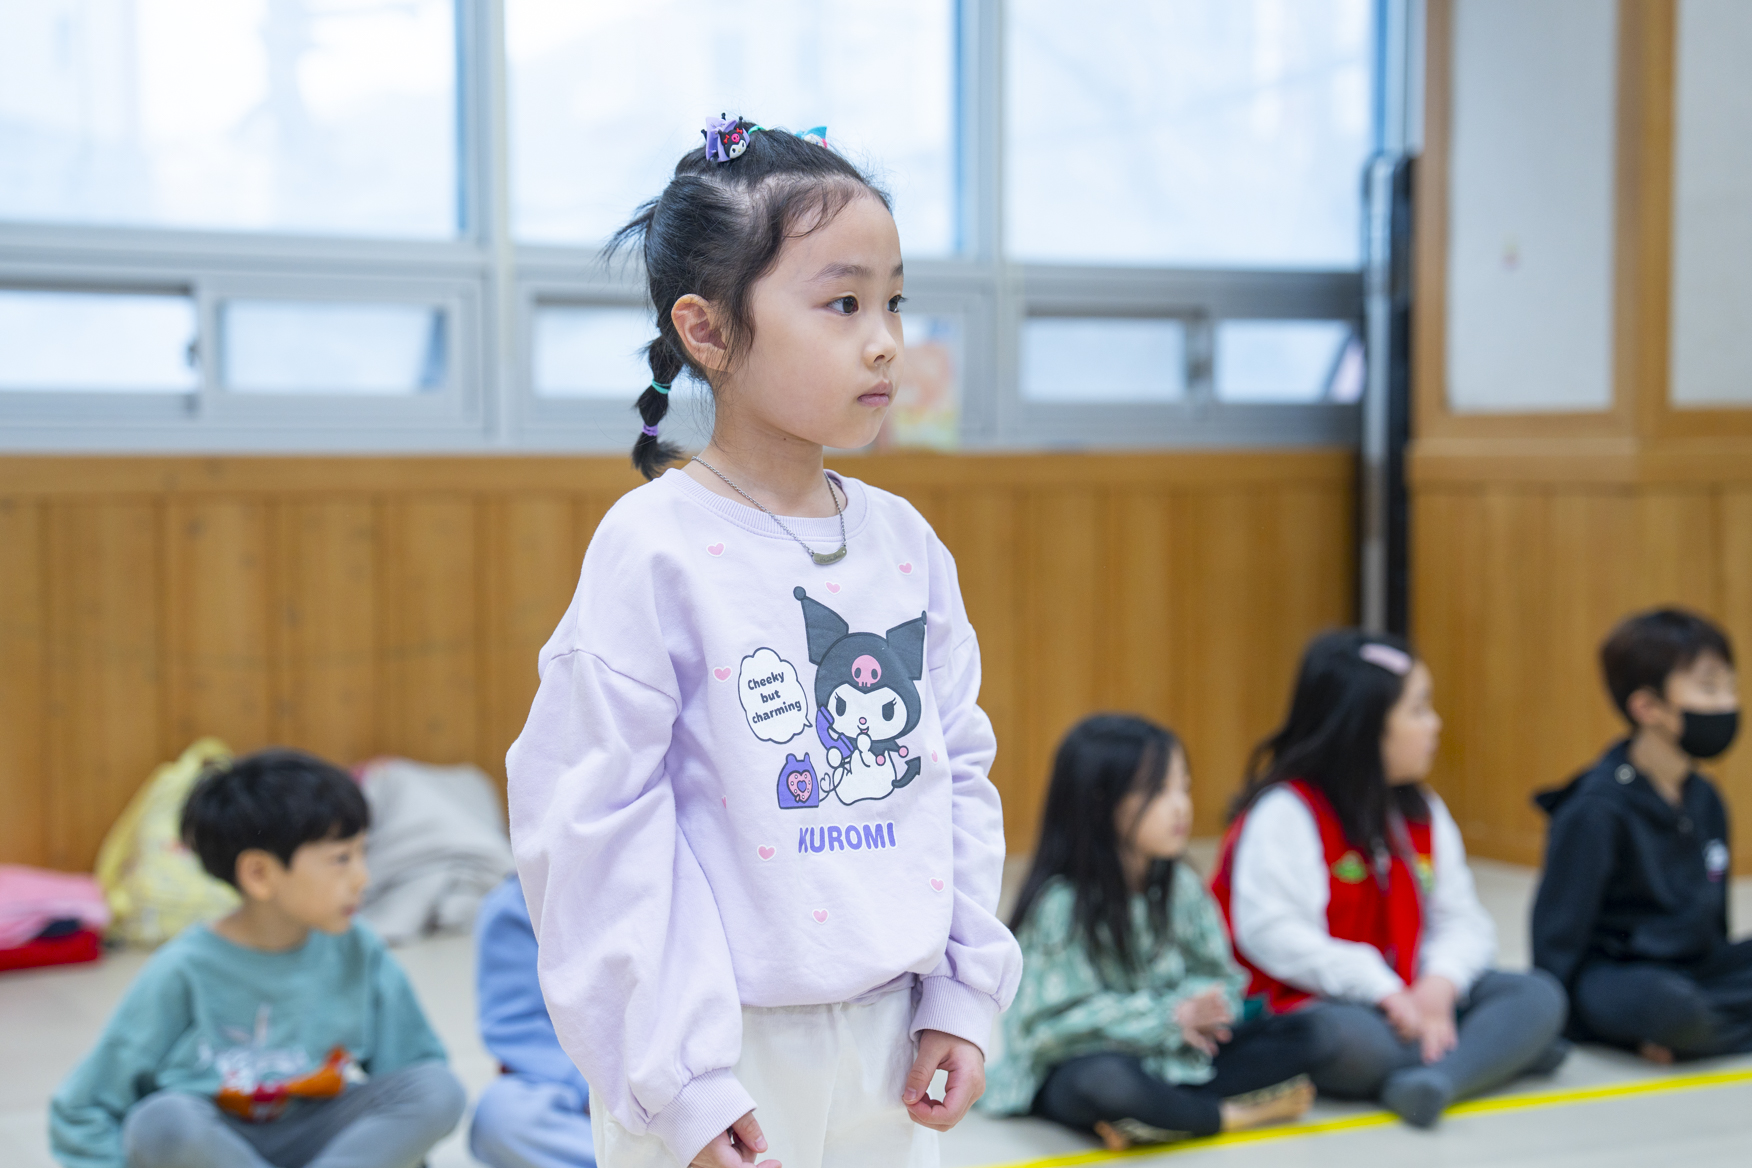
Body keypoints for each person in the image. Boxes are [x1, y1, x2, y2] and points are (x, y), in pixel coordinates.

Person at [506, 116, 1022, 1168]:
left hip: (890, 1036)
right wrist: (679, 1076)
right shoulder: (653, 547)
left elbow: (958, 772)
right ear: (707, 331)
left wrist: (964, 991)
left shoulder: (905, 543)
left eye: (893, 302)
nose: (885, 340)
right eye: (843, 304)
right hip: (721, 1050)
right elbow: (593, 825)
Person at [1210, 630, 1568, 1128]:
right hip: (1321, 1004)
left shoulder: (1422, 810)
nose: (1435, 724)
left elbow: (1462, 919)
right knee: (1339, 1040)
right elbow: (1274, 935)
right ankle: (1486, 1055)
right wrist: (1382, 989)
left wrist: (1439, 985)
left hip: (1412, 999)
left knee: (1538, 994)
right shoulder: (1286, 811)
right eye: (1418, 710)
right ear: (1364, 728)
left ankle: (1435, 1080)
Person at [50, 749, 465, 1168]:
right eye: (341, 859)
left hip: (323, 1143)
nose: (363, 878)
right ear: (259, 874)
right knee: (161, 1121)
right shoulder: (184, 968)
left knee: (438, 1089)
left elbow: (411, 1078)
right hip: (218, 1148)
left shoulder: (359, 948)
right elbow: (83, 1109)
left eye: (362, 853)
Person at [981, 715, 1332, 1151]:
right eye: (1158, 791)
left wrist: (1205, 1011)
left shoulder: (1181, 886)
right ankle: (1228, 1115)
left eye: (1183, 787)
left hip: (1175, 1056)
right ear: (1100, 801)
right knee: (1103, 1082)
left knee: (1308, 1034)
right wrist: (1169, 1017)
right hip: (1084, 1061)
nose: (1180, 806)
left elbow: (1221, 976)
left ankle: (1156, 1117)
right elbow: (1049, 1030)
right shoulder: (1061, 904)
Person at [1533, 607, 1745, 1062]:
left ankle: (1696, 1036)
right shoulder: (1595, 808)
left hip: (1697, 970)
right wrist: (1559, 1021)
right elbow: (1556, 937)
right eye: (1709, 688)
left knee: (1691, 1006)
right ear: (1647, 707)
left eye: (1731, 687)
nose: (1727, 704)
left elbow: (1716, 925)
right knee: (1673, 1011)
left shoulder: (1706, 797)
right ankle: (1679, 1032)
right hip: (1621, 975)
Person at [469, 874, 596, 1168]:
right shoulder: (513, 906)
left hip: (681, 1085)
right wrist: (598, 1092)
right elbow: (517, 1029)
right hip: (581, 1095)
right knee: (499, 1115)